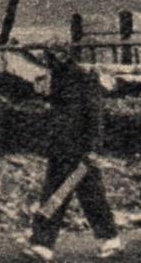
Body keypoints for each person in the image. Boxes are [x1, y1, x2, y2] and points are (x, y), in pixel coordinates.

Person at [27, 49, 122, 260]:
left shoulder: (84, 80)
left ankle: (44, 244)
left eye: (51, 58)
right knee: (68, 195)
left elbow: (95, 117)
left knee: (79, 195)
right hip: (63, 149)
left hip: (79, 151)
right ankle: (44, 244)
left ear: (61, 58)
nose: (49, 63)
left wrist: (93, 148)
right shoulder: (59, 79)